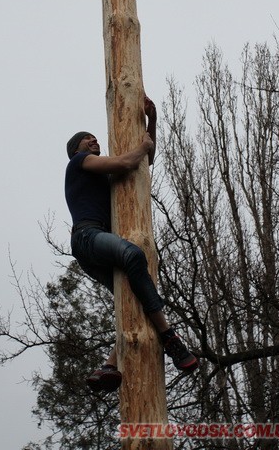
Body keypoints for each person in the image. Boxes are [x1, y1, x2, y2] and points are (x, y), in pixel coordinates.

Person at [65, 96, 198, 393]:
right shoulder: (78, 163)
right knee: (134, 255)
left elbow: (143, 163)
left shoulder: (99, 174)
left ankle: (110, 365)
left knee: (132, 304)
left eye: (96, 139)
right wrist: (141, 146)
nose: (94, 141)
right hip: (87, 237)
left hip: (95, 247)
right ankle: (170, 337)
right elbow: (130, 159)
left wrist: (152, 121)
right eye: (88, 139)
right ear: (76, 149)